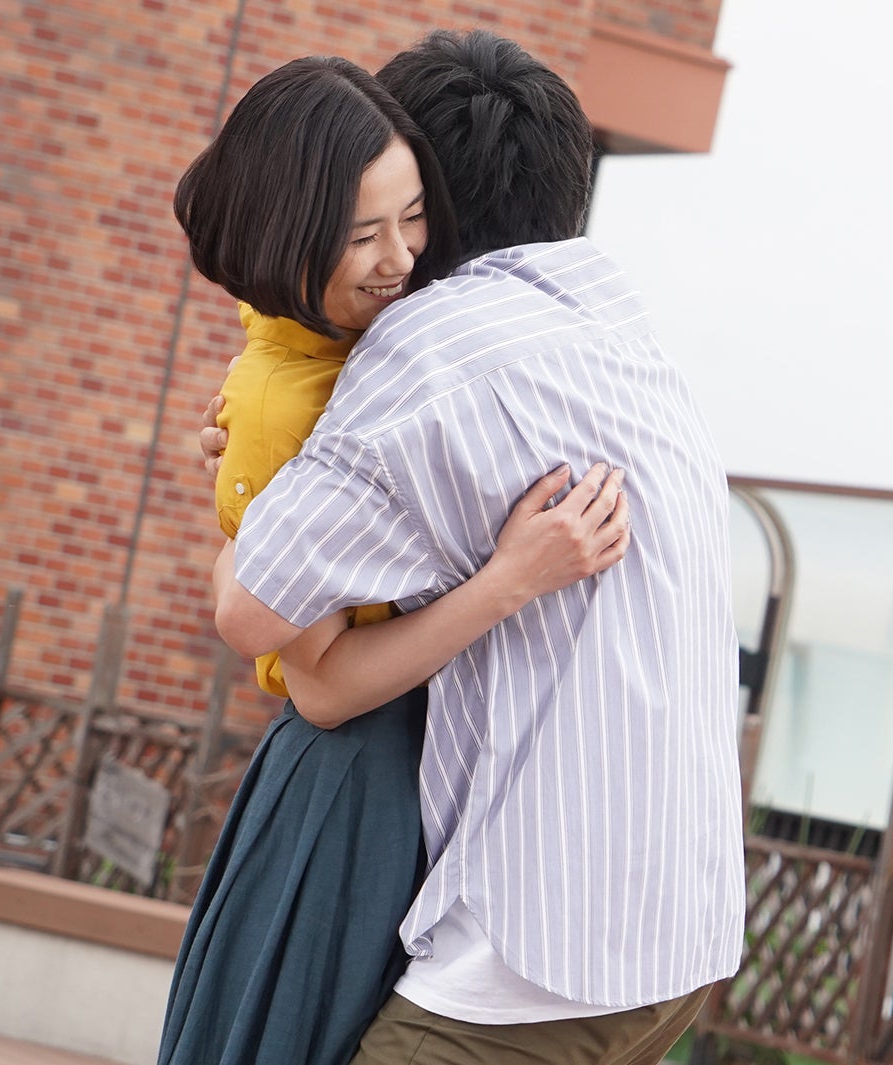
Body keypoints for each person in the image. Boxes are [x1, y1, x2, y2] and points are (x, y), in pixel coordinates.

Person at [212, 29, 745, 1065]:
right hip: (677, 941)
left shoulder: (430, 348)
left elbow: (254, 614)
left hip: (532, 958)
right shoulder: (632, 346)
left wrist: (237, 479)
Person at [161, 55, 630, 1065]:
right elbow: (321, 686)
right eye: (360, 232)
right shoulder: (304, 395)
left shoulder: (352, 355)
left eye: (411, 217)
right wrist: (511, 579)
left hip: (405, 772)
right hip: (359, 778)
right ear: (293, 232)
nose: (399, 257)